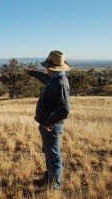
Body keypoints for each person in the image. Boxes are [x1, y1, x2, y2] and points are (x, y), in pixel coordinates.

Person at [23, 50, 71, 190]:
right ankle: (49, 178)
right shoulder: (54, 78)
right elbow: (45, 78)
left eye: (47, 67)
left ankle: (54, 186)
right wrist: (32, 72)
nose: (46, 69)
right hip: (47, 125)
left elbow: (64, 110)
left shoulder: (60, 83)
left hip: (51, 126)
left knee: (53, 156)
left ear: (51, 67)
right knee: (49, 153)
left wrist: (48, 122)